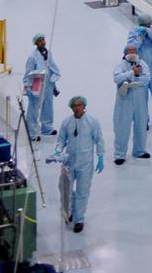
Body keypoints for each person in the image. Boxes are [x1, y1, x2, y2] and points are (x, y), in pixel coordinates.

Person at [49, 95, 104, 234]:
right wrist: (57, 152)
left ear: (84, 106)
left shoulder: (92, 122)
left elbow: (99, 139)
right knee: (64, 187)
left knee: (82, 192)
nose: (77, 107)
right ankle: (70, 211)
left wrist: (101, 156)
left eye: (79, 105)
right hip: (69, 161)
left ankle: (79, 219)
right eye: (74, 105)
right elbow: (61, 140)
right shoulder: (67, 122)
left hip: (85, 163)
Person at [126, 13, 152, 129]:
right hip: (141, 70)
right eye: (145, 25)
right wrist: (140, 38)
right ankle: (143, 121)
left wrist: (149, 32)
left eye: (148, 24)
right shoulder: (134, 32)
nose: (147, 25)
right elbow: (130, 47)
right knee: (141, 97)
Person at [112, 43, 151, 164]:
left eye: (134, 51)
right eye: (130, 51)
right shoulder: (120, 65)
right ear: (125, 52)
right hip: (125, 99)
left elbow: (147, 78)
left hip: (139, 98)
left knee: (141, 124)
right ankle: (120, 155)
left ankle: (139, 150)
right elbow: (117, 79)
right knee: (122, 126)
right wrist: (131, 73)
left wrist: (135, 82)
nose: (132, 53)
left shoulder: (142, 64)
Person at [23, 33, 61, 140]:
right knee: (34, 109)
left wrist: (53, 81)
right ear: (36, 43)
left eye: (43, 40)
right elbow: (28, 73)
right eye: (40, 40)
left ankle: (47, 128)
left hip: (48, 84)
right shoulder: (32, 57)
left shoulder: (48, 54)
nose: (42, 42)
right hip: (37, 84)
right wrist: (28, 87)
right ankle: (33, 133)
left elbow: (53, 67)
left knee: (48, 106)